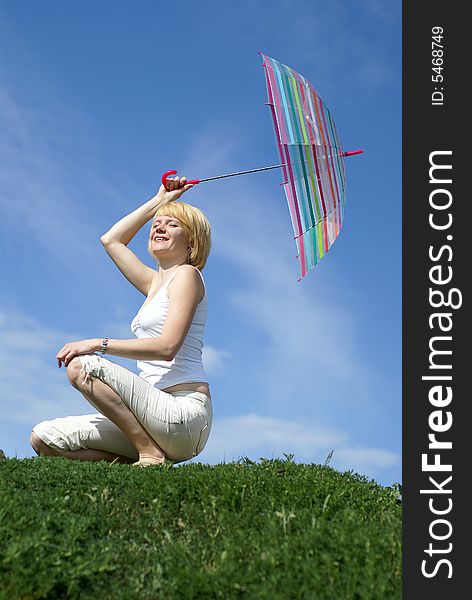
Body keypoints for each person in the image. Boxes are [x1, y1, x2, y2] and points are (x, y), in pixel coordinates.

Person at [30, 176, 212, 467]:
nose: (159, 226)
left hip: (182, 415)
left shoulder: (187, 276)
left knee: (82, 365)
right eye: (157, 223)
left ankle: (149, 453)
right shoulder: (155, 284)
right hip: (148, 414)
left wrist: (97, 344)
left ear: (191, 241)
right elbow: (111, 240)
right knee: (44, 439)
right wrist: (160, 200)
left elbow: (167, 347)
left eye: (172, 224)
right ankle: (150, 456)